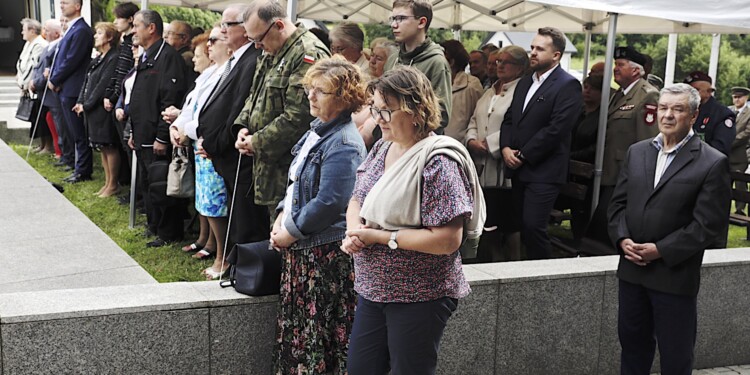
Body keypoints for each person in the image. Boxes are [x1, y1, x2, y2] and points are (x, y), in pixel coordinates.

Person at [342, 66, 484, 375]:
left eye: (386, 111)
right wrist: (355, 230)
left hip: (420, 294)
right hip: (373, 289)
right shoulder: (382, 146)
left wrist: (380, 237)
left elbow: (447, 240)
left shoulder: (438, 161)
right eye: (374, 109)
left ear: (416, 111)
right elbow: (357, 198)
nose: (377, 118)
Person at [607, 83, 731, 375]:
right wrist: (622, 238)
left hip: (673, 278)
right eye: (663, 108)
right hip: (632, 272)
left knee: (676, 357)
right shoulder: (637, 152)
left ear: (693, 115)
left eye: (678, 109)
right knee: (633, 349)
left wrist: (660, 250)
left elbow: (707, 226)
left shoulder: (712, 162)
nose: (668, 115)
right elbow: (617, 205)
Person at [270, 55, 365, 375]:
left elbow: (330, 201)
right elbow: (296, 182)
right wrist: (281, 215)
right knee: (302, 329)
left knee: (318, 332)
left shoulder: (345, 142)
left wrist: (290, 230)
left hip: (323, 253)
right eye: (310, 88)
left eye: (319, 91)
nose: (310, 95)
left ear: (343, 98)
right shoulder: (318, 130)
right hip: (304, 248)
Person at [232, 0, 330, 222]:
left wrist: (257, 141)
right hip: (268, 162)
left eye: (258, 38)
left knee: (283, 229)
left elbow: (299, 116)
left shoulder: (307, 53)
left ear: (278, 25)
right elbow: (254, 96)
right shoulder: (273, 50)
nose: (256, 46)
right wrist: (244, 126)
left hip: (289, 164)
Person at [500, 27, 582, 260]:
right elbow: (509, 119)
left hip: (544, 171)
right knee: (522, 227)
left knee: (534, 227)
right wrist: (505, 148)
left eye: (539, 49)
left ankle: (543, 280)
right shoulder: (525, 82)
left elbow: (556, 130)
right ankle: (527, 275)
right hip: (519, 169)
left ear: (556, 55)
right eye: (532, 48)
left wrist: (523, 155)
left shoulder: (568, 85)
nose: (532, 53)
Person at [198, 4, 268, 253]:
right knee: (235, 214)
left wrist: (213, 143)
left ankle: (241, 266)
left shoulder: (253, 60)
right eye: (222, 23)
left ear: (246, 28)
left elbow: (238, 109)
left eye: (229, 24)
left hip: (235, 153)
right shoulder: (238, 59)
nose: (222, 29)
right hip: (222, 150)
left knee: (244, 220)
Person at [168, 29, 230, 277]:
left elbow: (211, 114)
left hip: (208, 144)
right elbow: (191, 107)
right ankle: (211, 244)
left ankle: (222, 257)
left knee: (215, 203)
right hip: (197, 140)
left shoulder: (225, 72)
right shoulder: (210, 74)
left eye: (214, 42)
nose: (209, 47)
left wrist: (186, 129)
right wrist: (177, 127)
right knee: (206, 200)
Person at [587, 46, 659, 245]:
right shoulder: (618, 94)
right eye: (615, 65)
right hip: (610, 170)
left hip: (627, 173)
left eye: (621, 65)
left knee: (608, 221)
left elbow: (649, 142)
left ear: (636, 70)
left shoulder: (647, 95)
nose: (615, 69)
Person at [128, 9, 188, 247]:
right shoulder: (146, 55)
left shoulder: (168, 57)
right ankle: (154, 225)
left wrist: (162, 137)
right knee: (148, 182)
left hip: (156, 133)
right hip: (142, 132)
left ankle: (168, 231)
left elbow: (169, 99)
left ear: (151, 28)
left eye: (137, 26)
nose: (133, 30)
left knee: (161, 183)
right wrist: (133, 130)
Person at [465, 45, 527, 262]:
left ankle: (510, 264)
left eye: (505, 62)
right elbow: (475, 118)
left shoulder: (521, 91)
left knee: (507, 221)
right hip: (482, 164)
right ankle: (490, 259)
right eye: (498, 61)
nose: (499, 65)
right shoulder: (491, 89)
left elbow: (518, 125)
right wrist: (472, 139)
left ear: (519, 67)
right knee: (488, 217)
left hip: (503, 167)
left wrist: (492, 144)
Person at [384, 0, 452, 132]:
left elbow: (441, 116)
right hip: (390, 137)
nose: (393, 24)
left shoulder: (436, 62)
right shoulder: (393, 58)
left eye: (401, 18)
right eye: (393, 18)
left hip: (418, 142)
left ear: (421, 22)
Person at [73, 23, 121, 197]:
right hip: (93, 109)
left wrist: (86, 105)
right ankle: (107, 182)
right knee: (101, 146)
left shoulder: (113, 57)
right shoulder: (99, 57)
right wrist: (80, 101)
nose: (95, 36)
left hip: (101, 110)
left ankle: (113, 184)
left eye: (99, 33)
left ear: (109, 37)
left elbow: (103, 85)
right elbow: (87, 82)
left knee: (109, 145)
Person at [49, 0, 94, 183]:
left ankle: (82, 171)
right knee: (72, 131)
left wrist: (54, 79)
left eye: (65, 2)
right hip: (66, 86)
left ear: (77, 5)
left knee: (78, 133)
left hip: (74, 88)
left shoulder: (82, 30)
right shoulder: (73, 28)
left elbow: (71, 60)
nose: (61, 5)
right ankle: (77, 165)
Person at [29, 19, 63, 159]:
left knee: (59, 125)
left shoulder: (56, 47)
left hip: (51, 92)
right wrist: (33, 81)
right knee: (50, 120)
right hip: (42, 91)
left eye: (47, 30)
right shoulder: (48, 47)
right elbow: (38, 68)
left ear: (56, 33)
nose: (44, 33)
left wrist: (37, 82)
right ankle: (59, 152)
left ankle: (62, 153)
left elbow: (47, 71)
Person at [17, 18, 51, 153]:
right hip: (27, 85)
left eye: (24, 30)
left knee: (41, 117)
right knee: (36, 117)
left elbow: (34, 67)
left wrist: (28, 83)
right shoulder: (29, 43)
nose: (21, 33)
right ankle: (42, 145)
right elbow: (22, 63)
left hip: (36, 86)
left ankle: (48, 146)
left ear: (32, 30)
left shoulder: (39, 45)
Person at [440, 40, 483, 142]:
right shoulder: (439, 83)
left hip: (462, 147)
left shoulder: (471, 85)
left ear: (451, 62)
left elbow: (477, 120)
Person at [684, 71, 735, 157]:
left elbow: (720, 147)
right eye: (687, 90)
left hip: (706, 164)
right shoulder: (685, 110)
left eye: (695, 90)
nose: (690, 94)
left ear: (709, 92)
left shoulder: (722, 114)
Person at [571, 74, 604, 164]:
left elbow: (596, 148)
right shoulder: (576, 111)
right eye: (585, 87)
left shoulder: (604, 116)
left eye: (593, 89)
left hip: (587, 164)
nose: (587, 91)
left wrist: (572, 155)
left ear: (601, 92)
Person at [729, 86, 750, 215]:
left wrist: (729, 142)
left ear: (746, 97)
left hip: (740, 156)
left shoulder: (749, 113)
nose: (736, 100)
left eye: (739, 97)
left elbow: (747, 132)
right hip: (726, 155)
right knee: (724, 183)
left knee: (740, 184)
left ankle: (740, 209)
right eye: (734, 97)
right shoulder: (728, 111)